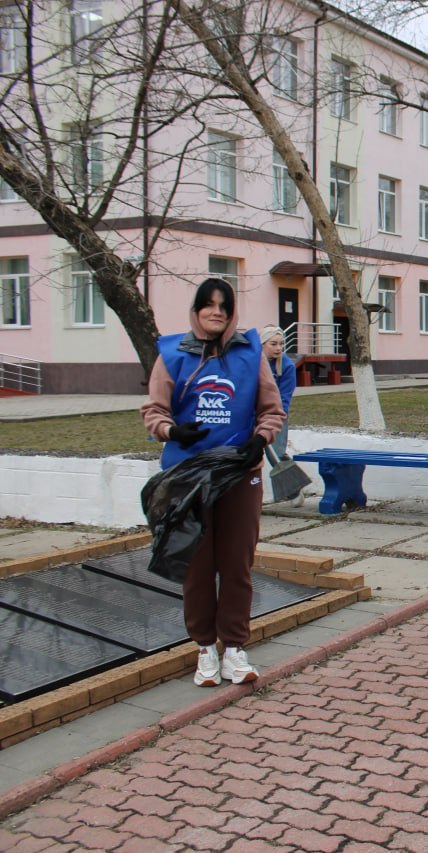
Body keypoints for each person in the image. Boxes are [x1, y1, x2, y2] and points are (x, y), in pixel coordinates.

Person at [141, 278, 285, 687]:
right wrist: (172, 431)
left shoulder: (250, 352)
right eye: (208, 304)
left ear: (232, 310)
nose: (216, 311)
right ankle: (205, 648)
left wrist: (260, 440)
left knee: (237, 564)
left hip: (239, 473)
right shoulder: (172, 354)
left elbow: (271, 409)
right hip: (188, 477)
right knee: (197, 566)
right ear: (197, 309)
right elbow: (153, 410)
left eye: (224, 305)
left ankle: (235, 649)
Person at [260, 325, 297, 494]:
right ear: (262, 344)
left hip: (276, 414)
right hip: (252, 414)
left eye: (281, 344)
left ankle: (294, 489)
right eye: (273, 344)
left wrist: (275, 417)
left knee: (276, 453)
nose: (278, 348)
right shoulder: (253, 362)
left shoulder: (287, 366)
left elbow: (284, 397)